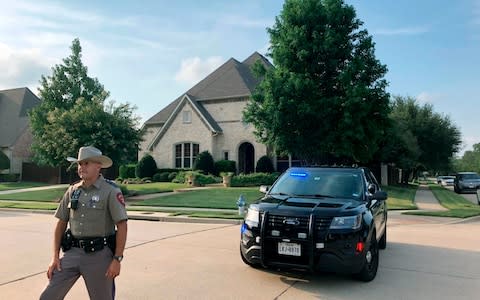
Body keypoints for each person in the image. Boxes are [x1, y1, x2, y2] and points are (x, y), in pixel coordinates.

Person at [40, 146, 128, 300]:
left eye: (86, 163)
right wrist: (55, 257)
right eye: (80, 164)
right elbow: (61, 223)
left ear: (98, 166)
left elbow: (122, 225)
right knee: (48, 296)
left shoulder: (110, 191)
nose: (82, 167)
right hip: (72, 253)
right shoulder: (73, 191)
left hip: (99, 256)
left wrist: (117, 259)